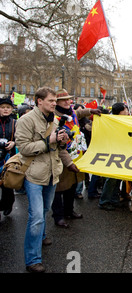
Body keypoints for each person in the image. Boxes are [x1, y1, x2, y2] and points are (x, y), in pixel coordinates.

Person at [15, 87, 69, 273]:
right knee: (36, 216)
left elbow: (58, 148)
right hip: (34, 175)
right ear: (39, 101)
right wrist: (49, 141)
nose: (55, 104)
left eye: (55, 101)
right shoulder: (26, 120)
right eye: (51, 101)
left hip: (52, 173)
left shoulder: (54, 121)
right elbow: (23, 148)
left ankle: (42, 235)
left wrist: (62, 140)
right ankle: (33, 260)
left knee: (45, 210)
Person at [51, 90, 101, 228]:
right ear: (57, 102)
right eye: (64, 100)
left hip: (75, 154)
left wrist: (92, 110)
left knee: (72, 185)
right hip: (61, 156)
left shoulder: (71, 112)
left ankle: (69, 210)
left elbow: (79, 113)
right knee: (59, 188)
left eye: (69, 100)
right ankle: (58, 216)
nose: (68, 102)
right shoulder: (54, 117)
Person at [98, 103, 129, 211]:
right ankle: (104, 201)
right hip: (113, 153)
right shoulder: (111, 122)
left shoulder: (123, 121)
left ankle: (114, 199)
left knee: (118, 179)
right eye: (125, 110)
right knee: (111, 179)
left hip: (122, 152)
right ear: (120, 112)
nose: (127, 112)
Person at [0, 98, 17, 219]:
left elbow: (21, 137)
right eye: (2, 107)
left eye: (8, 107)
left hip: (9, 157)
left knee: (7, 184)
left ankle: (8, 204)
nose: (5, 109)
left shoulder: (15, 123)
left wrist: (14, 143)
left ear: (11, 109)